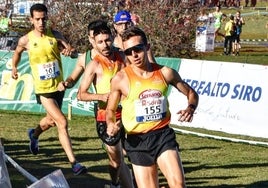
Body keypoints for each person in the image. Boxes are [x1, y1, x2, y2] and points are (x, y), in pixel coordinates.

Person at [106, 26, 199, 188]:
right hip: (137, 141)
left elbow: (191, 93)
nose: (134, 55)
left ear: (147, 47)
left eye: (138, 49)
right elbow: (110, 110)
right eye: (128, 52)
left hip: (162, 135)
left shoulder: (165, 73)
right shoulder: (120, 79)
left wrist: (190, 107)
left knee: (178, 185)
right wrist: (110, 124)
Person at [11, 3, 86, 176]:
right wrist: (14, 67)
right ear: (31, 20)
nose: (41, 22)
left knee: (51, 121)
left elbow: (70, 51)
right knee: (62, 122)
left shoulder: (56, 35)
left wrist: (70, 51)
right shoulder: (26, 40)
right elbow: (17, 52)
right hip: (43, 89)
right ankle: (74, 163)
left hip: (59, 86)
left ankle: (34, 134)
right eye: (37, 19)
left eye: (44, 18)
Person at [77, 21, 134, 188]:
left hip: (127, 114)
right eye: (100, 42)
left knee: (134, 154)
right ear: (94, 42)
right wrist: (102, 96)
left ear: (112, 38)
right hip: (106, 118)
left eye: (107, 40)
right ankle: (115, 183)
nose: (105, 45)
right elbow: (81, 94)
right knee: (116, 161)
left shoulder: (123, 57)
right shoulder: (93, 65)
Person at [57, 20, 106, 91]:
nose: (95, 41)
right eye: (93, 38)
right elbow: (72, 79)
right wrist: (66, 83)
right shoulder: (85, 58)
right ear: (89, 38)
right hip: (101, 100)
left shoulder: (119, 55)